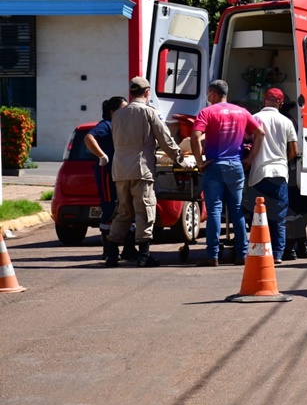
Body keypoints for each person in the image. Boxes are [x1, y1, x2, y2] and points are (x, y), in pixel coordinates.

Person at [106, 77, 184, 267]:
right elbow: (165, 139)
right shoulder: (149, 112)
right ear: (147, 92)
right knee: (145, 210)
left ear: (131, 93)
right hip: (141, 169)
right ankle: (144, 255)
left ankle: (111, 253)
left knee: (123, 212)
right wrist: (179, 158)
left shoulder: (118, 114)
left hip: (120, 170)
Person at [191, 79, 264, 267]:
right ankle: (242, 254)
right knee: (237, 210)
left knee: (214, 211)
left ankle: (212, 255)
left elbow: (195, 137)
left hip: (214, 165)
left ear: (213, 94)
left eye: (209, 94)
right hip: (235, 165)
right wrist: (250, 158)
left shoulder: (207, 113)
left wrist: (200, 162)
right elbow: (260, 133)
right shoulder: (242, 112)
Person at [246, 88, 299, 264]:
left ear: (264, 100)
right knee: (279, 217)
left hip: (259, 174)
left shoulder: (255, 118)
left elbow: (246, 143)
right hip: (280, 173)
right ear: (281, 104)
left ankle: (260, 251)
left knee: (258, 217)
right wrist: (283, 159)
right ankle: (277, 254)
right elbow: (294, 151)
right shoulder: (286, 122)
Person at [84, 96, 137, 262]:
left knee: (129, 208)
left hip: (122, 172)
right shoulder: (106, 125)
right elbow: (88, 138)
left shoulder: (122, 125)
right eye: (122, 109)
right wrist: (102, 155)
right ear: (112, 111)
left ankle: (129, 248)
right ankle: (108, 249)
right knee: (110, 208)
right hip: (107, 172)